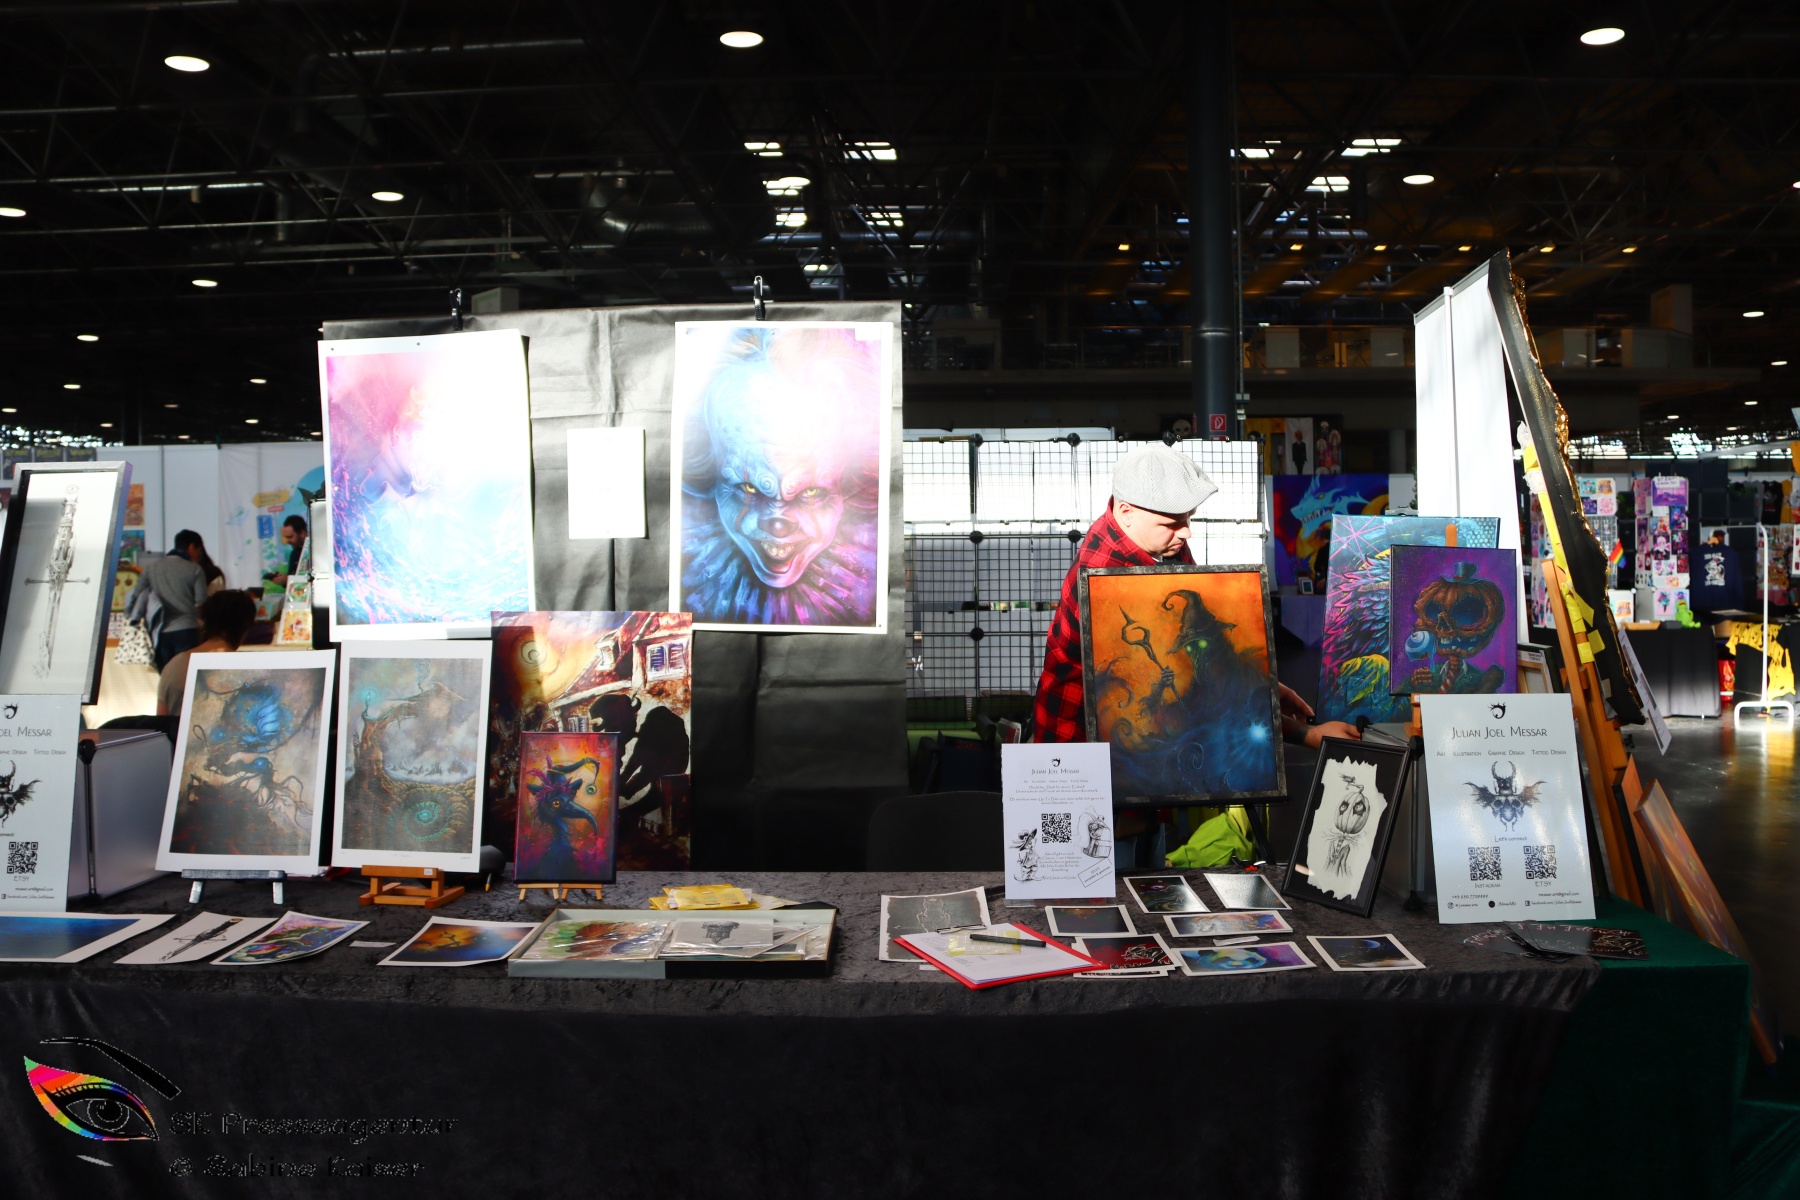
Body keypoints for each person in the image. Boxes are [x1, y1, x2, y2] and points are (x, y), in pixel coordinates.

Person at [1032, 443, 1358, 751]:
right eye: (1172, 523)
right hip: (1079, 747)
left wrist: (1267, 689)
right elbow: (1210, 688)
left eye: (1188, 517)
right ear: (1126, 511)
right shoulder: (1108, 578)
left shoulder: (1151, 539)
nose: (1186, 531)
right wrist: (1306, 733)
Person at [156, 589, 257, 717]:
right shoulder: (249, 668)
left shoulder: (174, 665)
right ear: (245, 627)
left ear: (205, 622)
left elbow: (161, 720)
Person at [125, 530, 211, 668]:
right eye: (198, 550)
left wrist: (129, 617)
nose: (199, 554)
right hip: (187, 631)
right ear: (191, 547)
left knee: (166, 674)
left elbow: (135, 594)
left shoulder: (151, 568)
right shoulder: (195, 569)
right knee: (186, 674)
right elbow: (202, 602)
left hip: (159, 632)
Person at [270, 515, 307, 588]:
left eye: (290, 537)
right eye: (286, 537)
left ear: (301, 533)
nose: (287, 541)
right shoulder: (294, 554)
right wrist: (283, 579)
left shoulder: (315, 551)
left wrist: (288, 579)